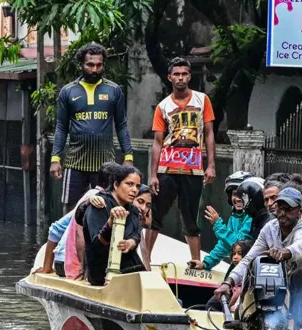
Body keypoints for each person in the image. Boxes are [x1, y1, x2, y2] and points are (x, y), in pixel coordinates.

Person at [213, 188, 302, 330]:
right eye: (280, 208)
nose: (283, 213)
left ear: (299, 211)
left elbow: (300, 248)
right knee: (256, 270)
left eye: (289, 209)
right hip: (287, 294)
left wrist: (284, 252)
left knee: (299, 275)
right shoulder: (269, 229)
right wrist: (228, 283)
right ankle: (248, 325)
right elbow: (248, 259)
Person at [146, 57, 217, 263]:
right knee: (156, 214)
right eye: (176, 74)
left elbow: (209, 133)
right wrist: (153, 175)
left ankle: (195, 261)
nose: (180, 78)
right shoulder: (163, 106)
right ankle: (146, 260)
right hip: (167, 167)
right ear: (169, 77)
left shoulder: (202, 100)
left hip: (193, 168)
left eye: (184, 74)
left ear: (189, 76)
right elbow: (157, 142)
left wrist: (211, 164)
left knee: (191, 217)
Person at [49, 42, 134, 214]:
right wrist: (55, 159)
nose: (94, 69)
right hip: (75, 163)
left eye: (99, 65)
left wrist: (129, 156)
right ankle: (69, 241)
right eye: (90, 65)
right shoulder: (68, 91)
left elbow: (122, 125)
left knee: (107, 208)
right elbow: (61, 127)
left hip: (106, 163)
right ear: (81, 65)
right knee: (71, 211)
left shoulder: (114, 90)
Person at [37, 163, 119, 277]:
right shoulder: (98, 199)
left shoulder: (91, 195)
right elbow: (79, 234)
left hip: (60, 261)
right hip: (71, 264)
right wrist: (83, 268)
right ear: (115, 184)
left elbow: (55, 229)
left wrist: (47, 268)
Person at [83, 165, 146, 285]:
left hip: (129, 269)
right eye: (129, 184)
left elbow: (136, 235)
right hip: (103, 274)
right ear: (116, 185)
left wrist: (130, 243)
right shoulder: (99, 204)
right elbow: (97, 246)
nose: (134, 190)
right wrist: (110, 222)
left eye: (137, 186)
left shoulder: (133, 210)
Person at [189, 171, 253, 271]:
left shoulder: (251, 217)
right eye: (235, 194)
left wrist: (218, 224)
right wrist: (206, 263)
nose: (238, 199)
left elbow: (239, 245)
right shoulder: (235, 217)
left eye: (242, 195)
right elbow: (224, 245)